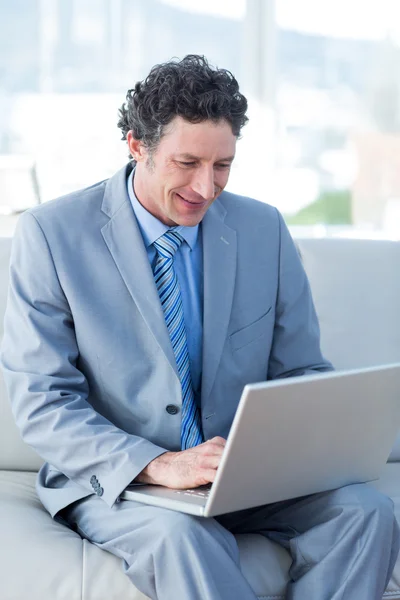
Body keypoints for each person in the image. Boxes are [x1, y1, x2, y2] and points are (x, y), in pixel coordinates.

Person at [0, 54, 398, 600]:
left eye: (223, 166)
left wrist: (298, 444)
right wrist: (160, 465)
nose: (206, 188)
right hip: (124, 482)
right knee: (183, 535)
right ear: (136, 145)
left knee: (366, 512)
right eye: (187, 163)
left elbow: (301, 369)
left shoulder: (264, 229)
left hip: (246, 476)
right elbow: (43, 400)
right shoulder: (51, 235)